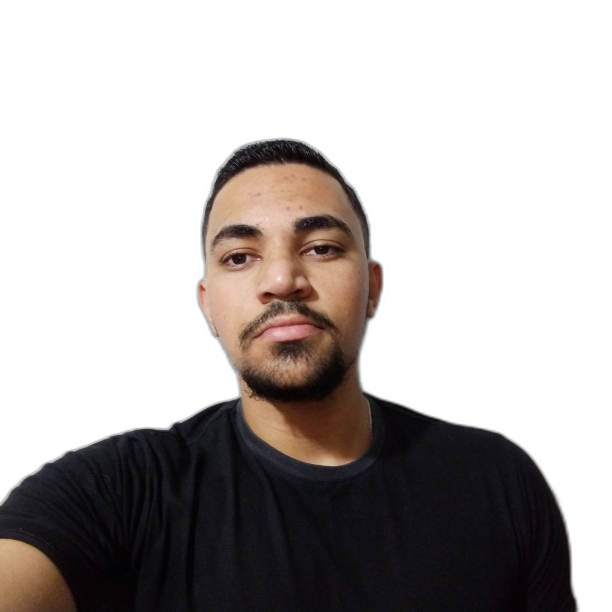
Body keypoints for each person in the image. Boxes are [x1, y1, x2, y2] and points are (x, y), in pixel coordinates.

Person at [0, 140, 576, 611]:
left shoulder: (498, 483)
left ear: (372, 288)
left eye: (321, 247)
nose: (281, 279)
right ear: (208, 306)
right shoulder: (119, 493)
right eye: (239, 257)